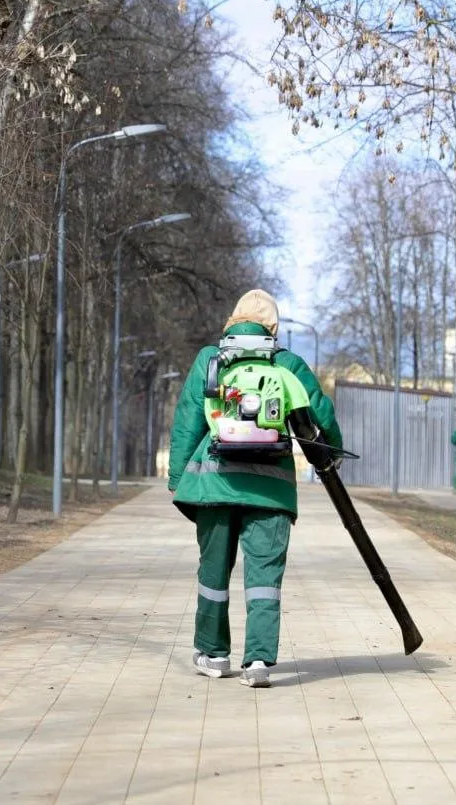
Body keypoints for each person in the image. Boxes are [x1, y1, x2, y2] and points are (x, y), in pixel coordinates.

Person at [167, 289, 342, 688]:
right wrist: (330, 456)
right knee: (265, 576)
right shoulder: (288, 363)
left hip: (214, 484)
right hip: (271, 488)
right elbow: (320, 412)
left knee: (213, 572)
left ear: (233, 320)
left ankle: (213, 654)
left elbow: (188, 420)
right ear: (274, 328)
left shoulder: (209, 361)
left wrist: (179, 478)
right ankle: (259, 661)